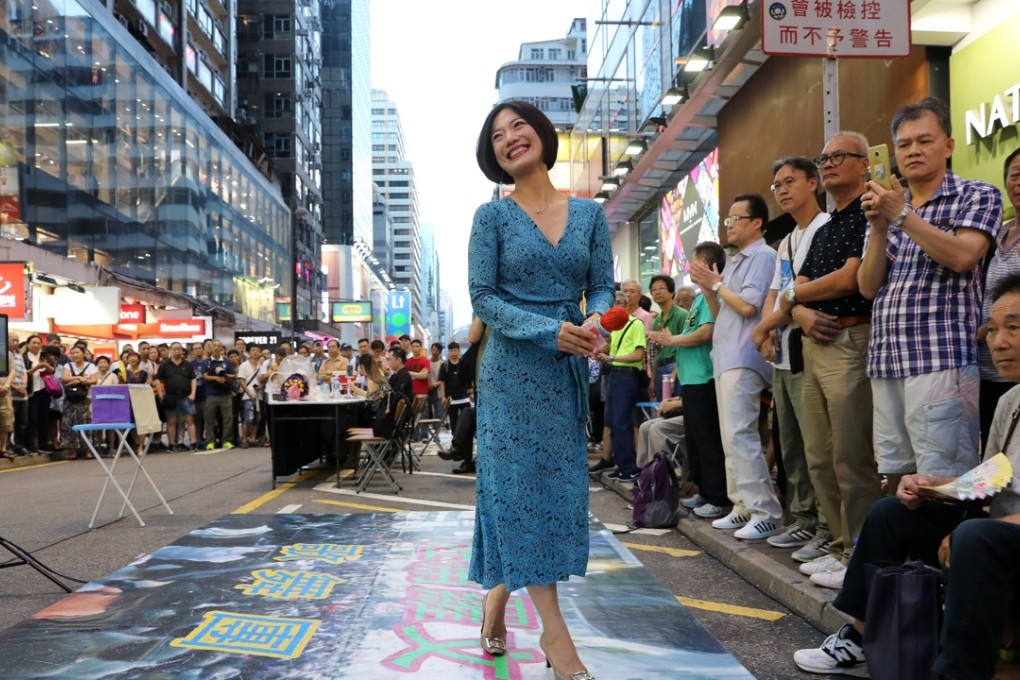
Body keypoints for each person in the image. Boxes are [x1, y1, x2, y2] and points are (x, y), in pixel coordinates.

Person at [794, 272, 1020, 679]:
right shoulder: (1011, 400)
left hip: (1001, 539)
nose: (999, 341)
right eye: (994, 328)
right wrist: (937, 488)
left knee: (974, 537)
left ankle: (957, 671)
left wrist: (984, 528)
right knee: (891, 513)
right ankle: (864, 636)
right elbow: (992, 478)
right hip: (997, 535)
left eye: (1014, 328)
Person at [468, 99, 612, 679]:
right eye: (498, 136)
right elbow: (484, 299)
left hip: (565, 370)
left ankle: (497, 599)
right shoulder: (491, 217)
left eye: (519, 126)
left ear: (541, 135)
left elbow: (600, 286)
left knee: (548, 495)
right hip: (509, 371)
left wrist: (596, 321)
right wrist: (548, 330)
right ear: (495, 156)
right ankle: (558, 640)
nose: (510, 138)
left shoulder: (591, 215)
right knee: (516, 490)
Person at [858, 96, 1003, 480]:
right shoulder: (889, 204)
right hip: (887, 360)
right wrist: (878, 228)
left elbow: (962, 257)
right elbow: (868, 286)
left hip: (940, 357)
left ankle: (946, 543)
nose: (913, 151)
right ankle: (908, 543)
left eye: (925, 141)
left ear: (949, 146)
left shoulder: (976, 194)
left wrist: (901, 216)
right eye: (904, 145)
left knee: (944, 478)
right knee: (896, 475)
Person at [777, 133, 883, 577]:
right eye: (824, 157)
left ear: (864, 164)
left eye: (839, 156)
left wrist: (793, 297)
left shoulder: (871, 213)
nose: (829, 163)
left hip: (849, 342)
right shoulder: (824, 227)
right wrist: (798, 309)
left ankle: (858, 554)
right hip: (812, 344)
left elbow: (850, 280)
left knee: (851, 456)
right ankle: (839, 544)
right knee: (817, 454)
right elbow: (795, 290)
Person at [690, 193, 784, 541]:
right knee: (731, 439)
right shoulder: (734, 261)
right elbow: (724, 313)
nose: (728, 224)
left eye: (736, 218)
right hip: (726, 354)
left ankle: (766, 512)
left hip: (745, 356)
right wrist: (711, 291)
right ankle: (742, 505)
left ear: (757, 222)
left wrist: (716, 284)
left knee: (742, 436)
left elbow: (748, 307)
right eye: (727, 218)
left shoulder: (762, 256)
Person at [751, 155, 830, 554]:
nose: (781, 190)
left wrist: (763, 327)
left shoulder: (825, 229)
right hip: (782, 352)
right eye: (776, 185)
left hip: (811, 348)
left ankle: (826, 526)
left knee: (819, 446)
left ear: (813, 183)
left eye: (789, 182)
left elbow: (798, 293)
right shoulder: (786, 241)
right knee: (791, 443)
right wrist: (766, 334)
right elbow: (774, 294)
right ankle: (802, 518)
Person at [648, 242, 729, 519]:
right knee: (695, 440)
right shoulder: (697, 299)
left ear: (707, 263)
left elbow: (706, 333)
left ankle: (718, 497)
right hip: (691, 379)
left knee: (708, 440)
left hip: (704, 377)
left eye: (694, 262)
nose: (690, 267)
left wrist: (672, 340)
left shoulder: (710, 297)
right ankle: (705, 492)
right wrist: (668, 341)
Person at [977, 147, 1020, 444]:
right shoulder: (997, 235)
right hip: (988, 366)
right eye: (1015, 175)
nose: (1019, 182)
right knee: (995, 453)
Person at [597, 292, 647, 484]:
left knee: (621, 422)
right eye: (613, 304)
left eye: (619, 303)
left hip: (626, 375)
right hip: (614, 374)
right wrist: (600, 352)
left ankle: (629, 468)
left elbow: (637, 355)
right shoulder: (615, 327)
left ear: (627, 305)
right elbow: (611, 348)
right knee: (612, 423)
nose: (616, 306)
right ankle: (621, 465)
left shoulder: (636, 324)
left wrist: (613, 358)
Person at [648, 274, 687, 401]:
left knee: (675, 410)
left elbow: (687, 348)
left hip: (676, 366)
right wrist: (652, 380)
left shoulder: (682, 315)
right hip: (661, 368)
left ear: (671, 292)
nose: (657, 292)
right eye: (653, 289)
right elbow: (657, 352)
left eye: (661, 288)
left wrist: (675, 373)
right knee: (663, 410)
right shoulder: (657, 320)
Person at [155, 342, 198, 452]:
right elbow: (157, 380)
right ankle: (172, 444)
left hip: (186, 397)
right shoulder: (165, 364)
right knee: (171, 422)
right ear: (170, 350)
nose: (177, 351)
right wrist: (161, 395)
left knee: (190, 421)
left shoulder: (187, 364)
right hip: (171, 398)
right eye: (175, 349)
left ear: (182, 350)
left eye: (179, 349)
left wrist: (193, 393)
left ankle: (193, 443)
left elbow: (193, 379)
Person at [59, 345, 97, 460]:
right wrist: (81, 379)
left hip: (86, 399)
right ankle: (73, 451)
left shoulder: (91, 366)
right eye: (73, 353)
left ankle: (88, 450)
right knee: (70, 423)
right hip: (70, 400)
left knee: (87, 423)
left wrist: (76, 380)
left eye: (77, 353)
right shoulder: (67, 366)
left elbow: (94, 380)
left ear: (83, 353)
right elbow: (64, 379)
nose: (75, 355)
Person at [201, 340, 236, 450]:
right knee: (209, 419)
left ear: (221, 348)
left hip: (225, 394)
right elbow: (205, 376)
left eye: (218, 346)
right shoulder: (206, 362)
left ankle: (226, 440)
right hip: (211, 395)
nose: (216, 348)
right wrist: (216, 378)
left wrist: (224, 377)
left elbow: (233, 375)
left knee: (228, 418)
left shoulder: (227, 362)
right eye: (214, 346)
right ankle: (210, 441)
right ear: (211, 348)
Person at [236, 344, 265, 448]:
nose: (255, 352)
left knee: (257, 418)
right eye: (253, 350)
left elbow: (261, 381)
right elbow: (241, 380)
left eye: (257, 350)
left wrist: (260, 387)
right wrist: (249, 393)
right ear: (249, 352)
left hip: (258, 395)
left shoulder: (260, 367)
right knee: (247, 418)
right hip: (247, 396)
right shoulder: (244, 365)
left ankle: (252, 438)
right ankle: (243, 439)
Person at [406, 339, 431, 439]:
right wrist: (418, 374)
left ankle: (425, 436)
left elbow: (425, 375)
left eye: (417, 346)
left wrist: (412, 374)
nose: (415, 348)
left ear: (421, 348)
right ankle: (414, 436)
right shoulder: (408, 362)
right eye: (414, 346)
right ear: (411, 348)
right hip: (412, 392)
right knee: (413, 415)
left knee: (424, 414)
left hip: (423, 392)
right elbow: (406, 376)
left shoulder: (425, 360)